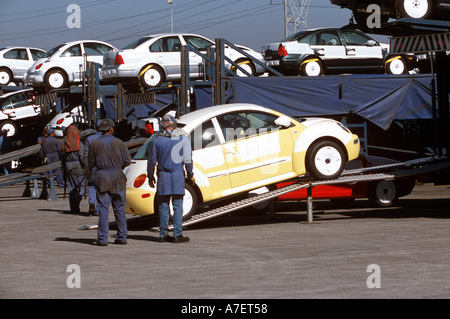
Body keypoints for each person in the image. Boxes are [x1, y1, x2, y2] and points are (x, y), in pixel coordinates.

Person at [147, 114, 194, 243]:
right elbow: (188, 160)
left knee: (163, 206)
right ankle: (177, 234)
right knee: (177, 205)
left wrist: (150, 176)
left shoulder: (157, 140)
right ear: (174, 124)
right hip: (177, 175)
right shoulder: (182, 138)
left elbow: (151, 161)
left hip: (163, 177)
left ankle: (163, 235)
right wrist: (190, 174)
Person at [88, 118, 131, 246]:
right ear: (111, 129)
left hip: (102, 177)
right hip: (118, 176)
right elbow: (127, 160)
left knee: (103, 208)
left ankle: (102, 239)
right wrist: (118, 168)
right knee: (119, 208)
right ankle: (122, 236)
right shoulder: (120, 143)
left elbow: (90, 163)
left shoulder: (94, 144)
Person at [60, 125, 85, 213]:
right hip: (76, 164)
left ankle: (74, 208)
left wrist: (63, 168)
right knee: (82, 186)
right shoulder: (78, 144)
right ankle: (77, 199)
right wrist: (85, 166)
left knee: (72, 187)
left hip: (67, 165)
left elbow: (62, 158)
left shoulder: (64, 144)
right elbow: (82, 156)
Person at [83, 121, 102, 216]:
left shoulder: (89, 139)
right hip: (103, 166)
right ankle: (98, 209)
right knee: (101, 188)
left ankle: (92, 202)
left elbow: (85, 154)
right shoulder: (106, 139)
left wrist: (86, 166)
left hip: (92, 166)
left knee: (92, 185)